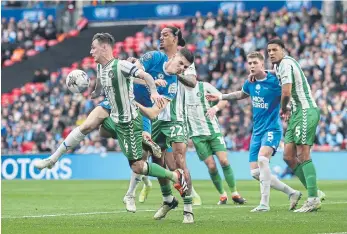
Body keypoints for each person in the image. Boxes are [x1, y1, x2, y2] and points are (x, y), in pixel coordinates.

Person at [35, 32, 189, 197]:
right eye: (181, 64)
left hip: (138, 112)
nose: (91, 51)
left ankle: (135, 191)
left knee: (140, 159)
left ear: (104, 47)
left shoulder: (171, 84)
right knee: (88, 126)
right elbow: (132, 75)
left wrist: (152, 91)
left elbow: (150, 107)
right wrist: (95, 92)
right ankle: (52, 159)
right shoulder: (151, 57)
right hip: (114, 103)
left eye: (93, 48)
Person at [206, 51, 301, 212]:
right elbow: (241, 94)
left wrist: (288, 108)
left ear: (262, 64)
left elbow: (288, 91)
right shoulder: (250, 82)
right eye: (249, 63)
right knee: (256, 172)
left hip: (272, 128)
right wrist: (221, 96)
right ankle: (292, 192)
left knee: (263, 160)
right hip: (257, 131)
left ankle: (264, 204)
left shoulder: (274, 80)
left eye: (254, 63)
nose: (251, 66)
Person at [136, 26, 200, 224]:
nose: (161, 38)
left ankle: (188, 208)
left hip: (176, 115)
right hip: (156, 117)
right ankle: (167, 200)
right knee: (157, 161)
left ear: (176, 38)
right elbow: (137, 73)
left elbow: (192, 81)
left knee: (179, 161)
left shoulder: (184, 58)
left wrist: (176, 72)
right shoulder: (156, 57)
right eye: (160, 35)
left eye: (166, 35)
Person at [267, 39, 324, 212]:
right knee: (288, 156)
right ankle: (315, 192)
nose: (270, 53)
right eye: (268, 50)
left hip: (306, 110)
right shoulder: (279, 66)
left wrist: (284, 109)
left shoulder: (285, 63)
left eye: (274, 50)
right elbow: (274, 75)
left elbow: (286, 92)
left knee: (303, 153)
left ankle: (313, 198)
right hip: (297, 113)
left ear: (283, 50)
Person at [185, 81, 247, 205]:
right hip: (197, 136)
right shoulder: (181, 91)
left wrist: (215, 107)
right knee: (211, 166)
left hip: (213, 131)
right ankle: (222, 195)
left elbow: (223, 99)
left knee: (224, 161)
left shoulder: (204, 86)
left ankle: (235, 193)